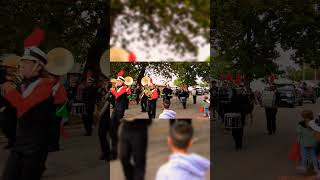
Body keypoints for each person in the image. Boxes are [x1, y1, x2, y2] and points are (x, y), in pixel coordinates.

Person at [1, 47, 55, 180]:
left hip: (35, 144)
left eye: (26, 62)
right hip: (20, 140)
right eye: (22, 62)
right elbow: (14, 107)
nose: (21, 65)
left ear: (38, 66)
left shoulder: (46, 85)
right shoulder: (23, 84)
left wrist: (9, 89)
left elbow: (24, 107)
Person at [110, 71, 128, 160]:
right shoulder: (118, 88)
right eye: (116, 81)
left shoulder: (124, 88)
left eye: (118, 81)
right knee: (112, 124)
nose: (116, 82)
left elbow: (117, 96)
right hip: (116, 108)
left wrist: (113, 89)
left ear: (121, 82)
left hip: (120, 109)